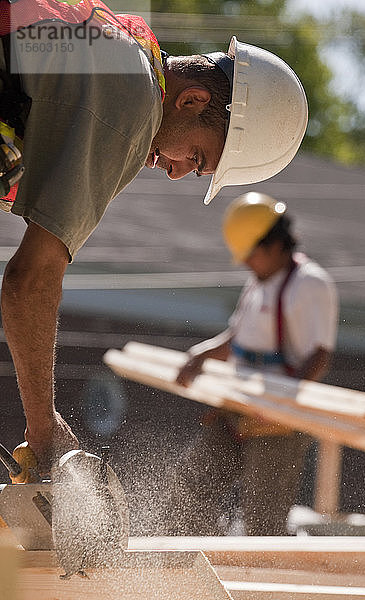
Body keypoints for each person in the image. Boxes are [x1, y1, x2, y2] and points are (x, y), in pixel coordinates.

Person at [0, 0, 308, 474]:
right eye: (198, 159)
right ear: (193, 100)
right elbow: (31, 282)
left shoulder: (115, 52)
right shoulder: (132, 100)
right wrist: (44, 429)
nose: (176, 172)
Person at [175, 192, 338, 535]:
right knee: (190, 489)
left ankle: (261, 584)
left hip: (279, 421)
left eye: (251, 254)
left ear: (276, 244)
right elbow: (238, 339)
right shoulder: (258, 283)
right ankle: (210, 563)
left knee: (262, 521)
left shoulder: (310, 284)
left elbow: (319, 356)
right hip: (240, 408)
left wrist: (279, 403)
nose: (246, 262)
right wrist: (200, 357)